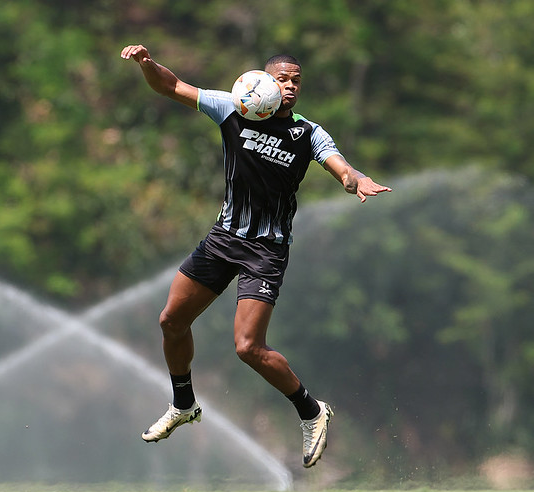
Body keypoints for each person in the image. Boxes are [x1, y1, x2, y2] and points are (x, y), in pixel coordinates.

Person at [120, 44, 391, 468]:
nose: (289, 86)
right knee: (171, 320)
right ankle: (184, 404)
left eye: (296, 80)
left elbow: (340, 167)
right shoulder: (232, 108)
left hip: (265, 252)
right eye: (282, 78)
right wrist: (146, 64)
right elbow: (172, 86)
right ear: (263, 80)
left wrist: (356, 180)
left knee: (247, 347)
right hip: (223, 239)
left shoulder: (309, 134)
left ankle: (311, 410)